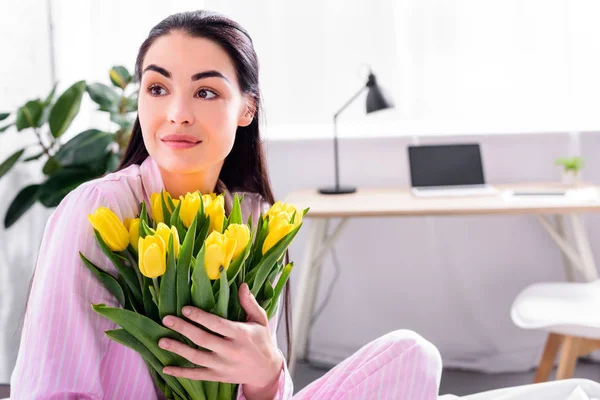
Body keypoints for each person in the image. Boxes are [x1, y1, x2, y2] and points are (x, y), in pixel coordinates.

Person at [10, 10, 442, 400]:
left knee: (413, 354)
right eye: (158, 88)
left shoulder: (253, 220)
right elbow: (50, 388)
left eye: (206, 92)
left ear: (246, 109)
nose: (177, 113)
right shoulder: (101, 210)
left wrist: (267, 373)